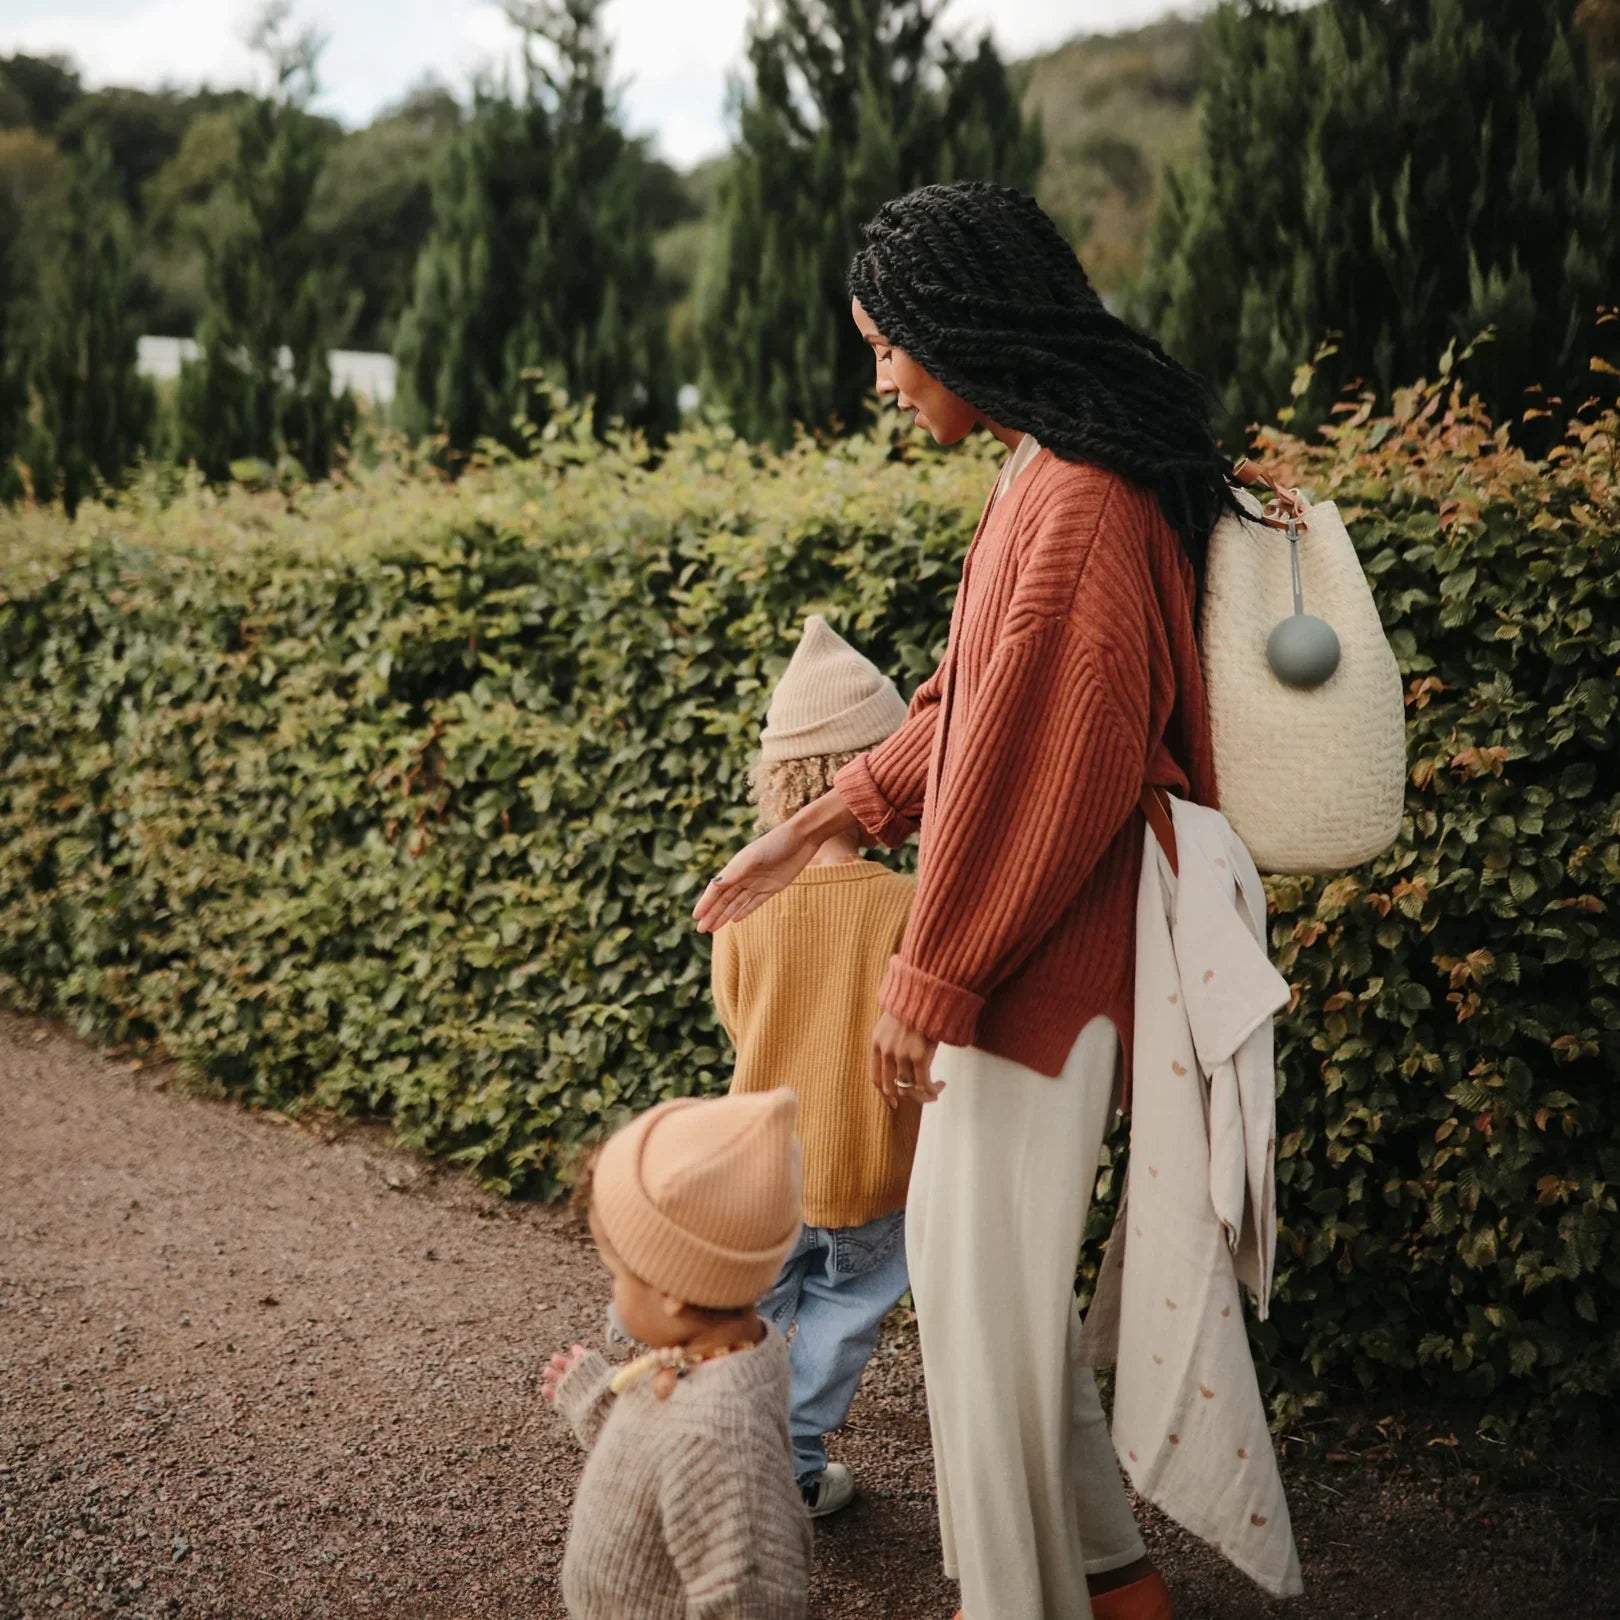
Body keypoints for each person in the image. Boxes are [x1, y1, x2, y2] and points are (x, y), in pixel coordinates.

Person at [696, 181, 1241, 1620]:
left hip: (1045, 981)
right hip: (1040, 971)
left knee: (987, 1335)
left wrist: (930, 978)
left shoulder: (1074, 497)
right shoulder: (1044, 477)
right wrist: (819, 828)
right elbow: (968, 707)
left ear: (960, 325)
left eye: (890, 346)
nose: (882, 378)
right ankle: (1117, 1591)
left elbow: (1049, 772)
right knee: (998, 1320)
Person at [713, 614, 918, 1518]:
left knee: (746, 1318)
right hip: (872, 1164)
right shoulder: (909, 903)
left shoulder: (746, 898)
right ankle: (791, 1466)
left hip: (760, 1163)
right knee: (841, 1317)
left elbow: (737, 1019)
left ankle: (720, 1455)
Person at [542, 1089, 813, 1620]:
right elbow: (662, 1452)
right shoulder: (726, 1351)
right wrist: (601, 1402)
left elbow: (756, 1597)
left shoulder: (719, 1439)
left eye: (619, 1276)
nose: (612, 1293)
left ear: (675, 1289)